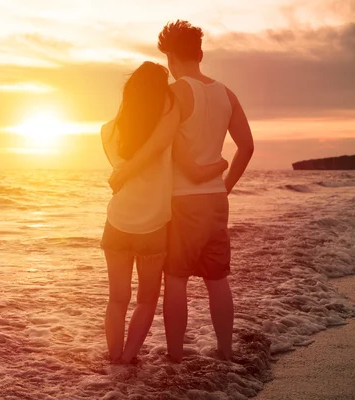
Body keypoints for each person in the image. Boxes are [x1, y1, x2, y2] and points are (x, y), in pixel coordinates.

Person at [109, 21, 254, 363]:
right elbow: (246, 147)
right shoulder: (227, 93)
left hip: (181, 201)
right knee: (218, 279)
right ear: (200, 53)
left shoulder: (173, 94)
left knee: (176, 280)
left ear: (170, 56)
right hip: (216, 201)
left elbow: (160, 144)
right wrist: (225, 186)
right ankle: (225, 353)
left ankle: (175, 358)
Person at [101, 61, 229, 364]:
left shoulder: (107, 131)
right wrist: (222, 164)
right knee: (146, 301)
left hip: (117, 222)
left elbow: (122, 169)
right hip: (153, 227)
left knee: (117, 299)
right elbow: (166, 134)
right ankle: (129, 360)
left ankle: (114, 359)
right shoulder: (166, 132)